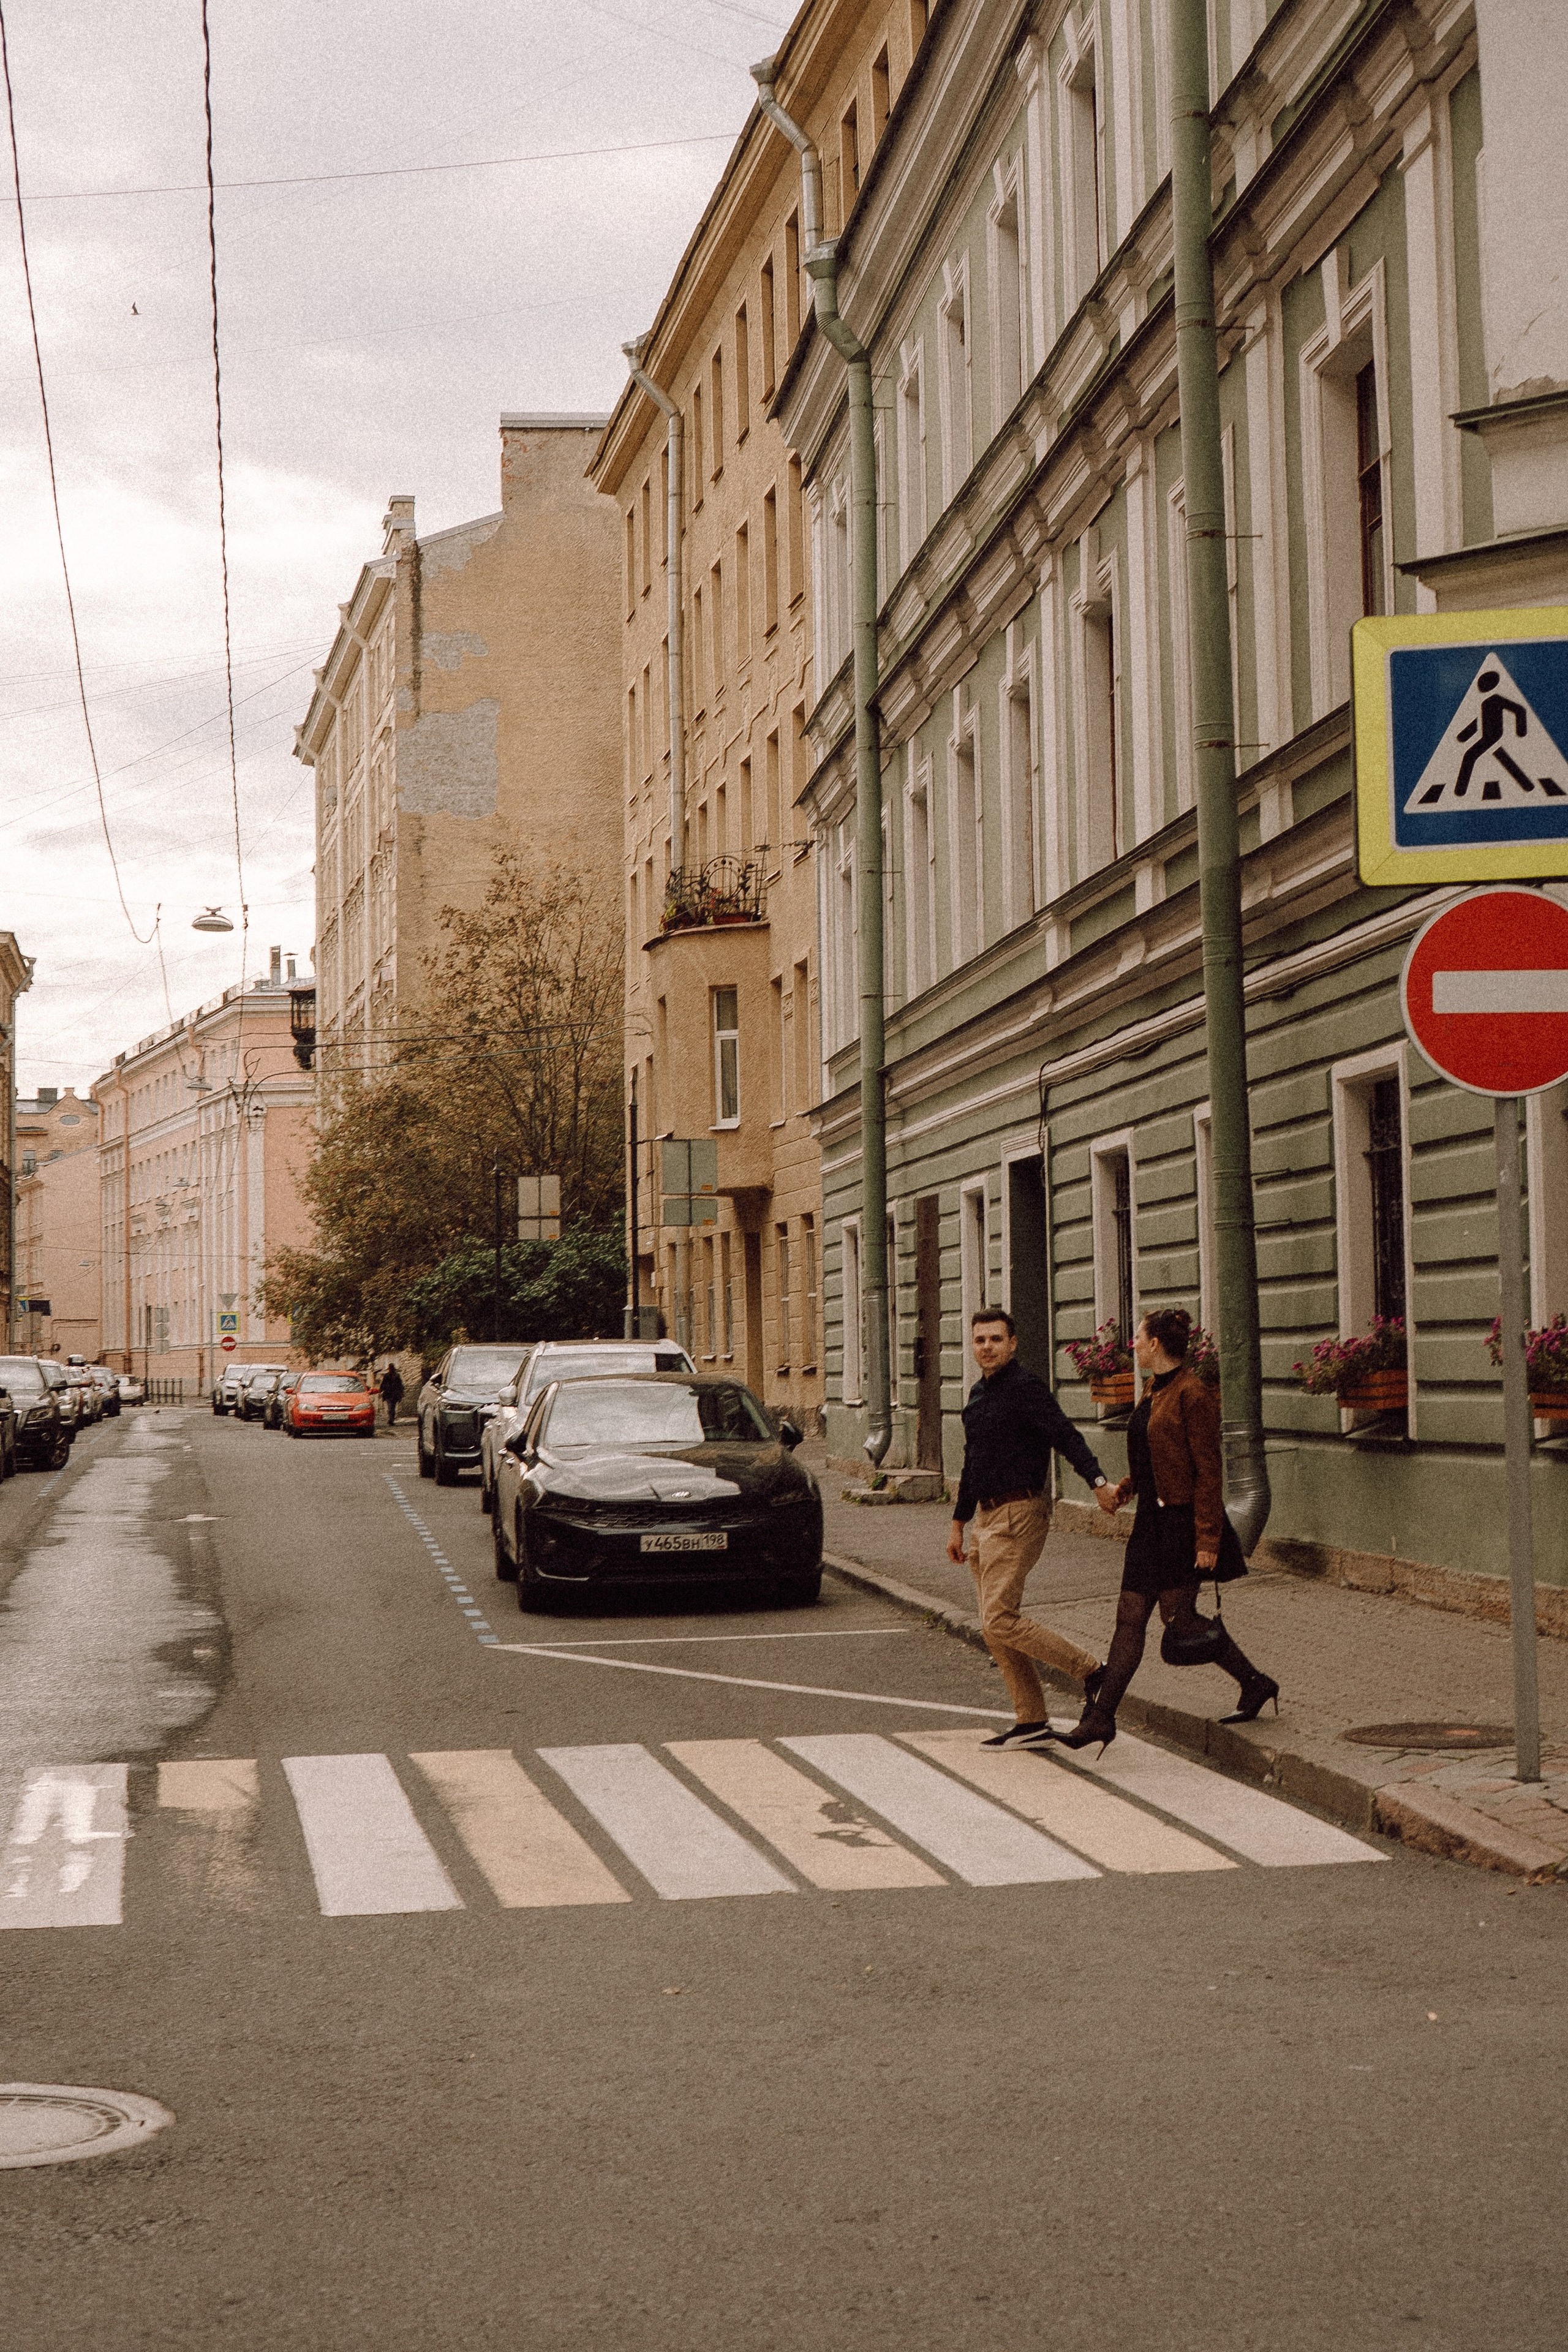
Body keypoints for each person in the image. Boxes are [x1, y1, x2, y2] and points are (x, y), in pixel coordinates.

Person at [1050, 1306, 1278, 1757]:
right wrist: (1126, 1490)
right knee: (1131, 1618)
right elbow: (1156, 1457)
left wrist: (1208, 1541)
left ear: (1155, 1344)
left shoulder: (1193, 1394)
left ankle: (1253, 1683)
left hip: (1182, 1525)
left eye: (1137, 1338)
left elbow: (1209, 1473)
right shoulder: (1155, 1389)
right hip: (1150, 1524)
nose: (1132, 1345)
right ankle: (1102, 1719)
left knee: (1180, 1620)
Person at [946, 1306, 1121, 1749]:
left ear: (1013, 1343)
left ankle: (1094, 1672)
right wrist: (958, 1523)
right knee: (993, 1625)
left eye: (996, 1339)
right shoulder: (977, 1395)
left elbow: (1066, 1436)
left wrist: (1098, 1483)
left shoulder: (1026, 1388)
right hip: (986, 1518)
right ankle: (1032, 1720)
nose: (987, 1347)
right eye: (980, 1340)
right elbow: (973, 1463)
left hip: (1020, 1513)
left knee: (1000, 1618)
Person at [379, 1362, 404, 1426]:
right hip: (388, 1394)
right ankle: (391, 1420)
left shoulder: (397, 1376)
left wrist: (401, 1392)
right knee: (390, 1407)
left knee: (393, 1407)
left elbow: (400, 1385)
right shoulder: (387, 1376)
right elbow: (383, 1384)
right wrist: (381, 1390)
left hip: (395, 1394)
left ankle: (392, 1420)